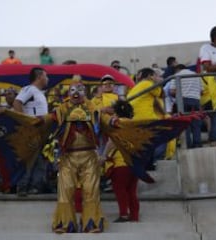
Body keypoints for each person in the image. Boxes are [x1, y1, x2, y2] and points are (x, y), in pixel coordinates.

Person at [51, 80, 106, 233]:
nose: (76, 93)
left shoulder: (94, 109)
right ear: (68, 93)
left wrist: (113, 119)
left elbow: (106, 122)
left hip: (89, 155)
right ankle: (65, 223)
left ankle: (91, 223)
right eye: (73, 90)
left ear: (85, 93)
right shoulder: (61, 110)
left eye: (80, 89)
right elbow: (48, 122)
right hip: (67, 156)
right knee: (66, 190)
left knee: (90, 190)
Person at [101, 100, 139, 223]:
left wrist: (104, 156)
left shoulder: (117, 124)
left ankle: (123, 214)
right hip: (134, 162)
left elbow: (112, 142)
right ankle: (134, 216)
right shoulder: (134, 125)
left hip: (120, 163)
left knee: (120, 189)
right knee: (132, 191)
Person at [13, 67, 48, 196]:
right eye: (46, 76)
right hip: (31, 130)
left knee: (39, 159)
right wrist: (25, 122)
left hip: (41, 131)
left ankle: (35, 187)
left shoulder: (39, 93)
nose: (47, 78)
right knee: (29, 159)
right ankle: (22, 186)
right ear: (39, 77)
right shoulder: (29, 89)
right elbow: (17, 103)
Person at [169, 64, 202, 148]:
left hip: (182, 101)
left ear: (177, 70)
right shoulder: (196, 75)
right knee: (196, 124)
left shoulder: (176, 75)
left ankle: (187, 144)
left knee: (185, 124)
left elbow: (172, 91)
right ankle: (197, 144)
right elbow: (201, 91)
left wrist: (178, 94)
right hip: (195, 100)